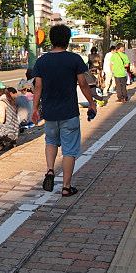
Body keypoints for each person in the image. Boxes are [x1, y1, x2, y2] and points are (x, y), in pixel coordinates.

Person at [32, 24, 96, 197]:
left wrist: (35, 108)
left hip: (50, 113)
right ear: (67, 40)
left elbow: (38, 86)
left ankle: (50, 170)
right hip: (69, 112)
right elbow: (83, 83)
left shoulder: (42, 61)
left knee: (51, 141)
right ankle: (66, 187)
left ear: (51, 40)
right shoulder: (74, 59)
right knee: (69, 150)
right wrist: (91, 102)